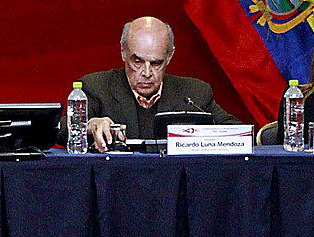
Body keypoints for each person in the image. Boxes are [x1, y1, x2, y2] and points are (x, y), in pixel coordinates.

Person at [74, 16, 241, 151]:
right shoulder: (96, 87)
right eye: (137, 62)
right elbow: (62, 131)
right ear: (123, 52)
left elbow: (237, 131)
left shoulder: (194, 92)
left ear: (169, 56)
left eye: (156, 63)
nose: (147, 73)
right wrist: (89, 125)